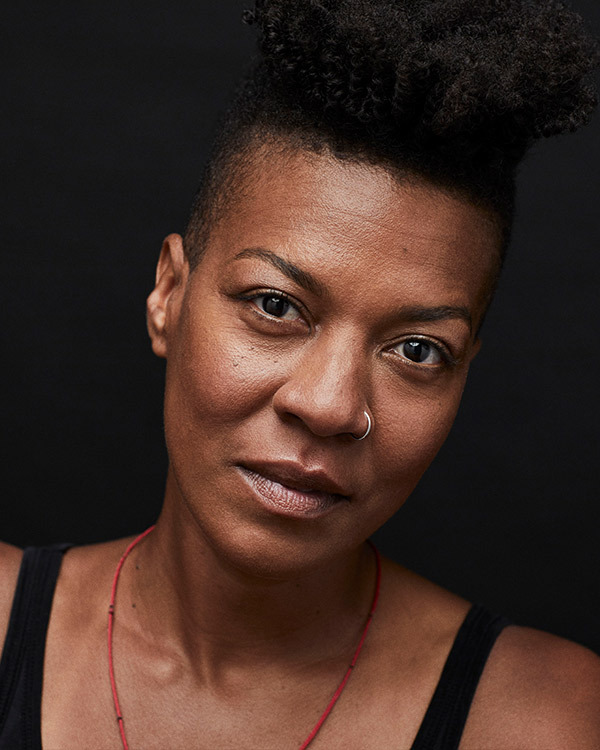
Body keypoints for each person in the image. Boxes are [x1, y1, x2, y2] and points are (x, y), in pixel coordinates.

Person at [1, 0, 599, 747]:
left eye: (417, 350)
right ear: (169, 295)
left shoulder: (543, 719)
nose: (329, 405)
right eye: (276, 305)